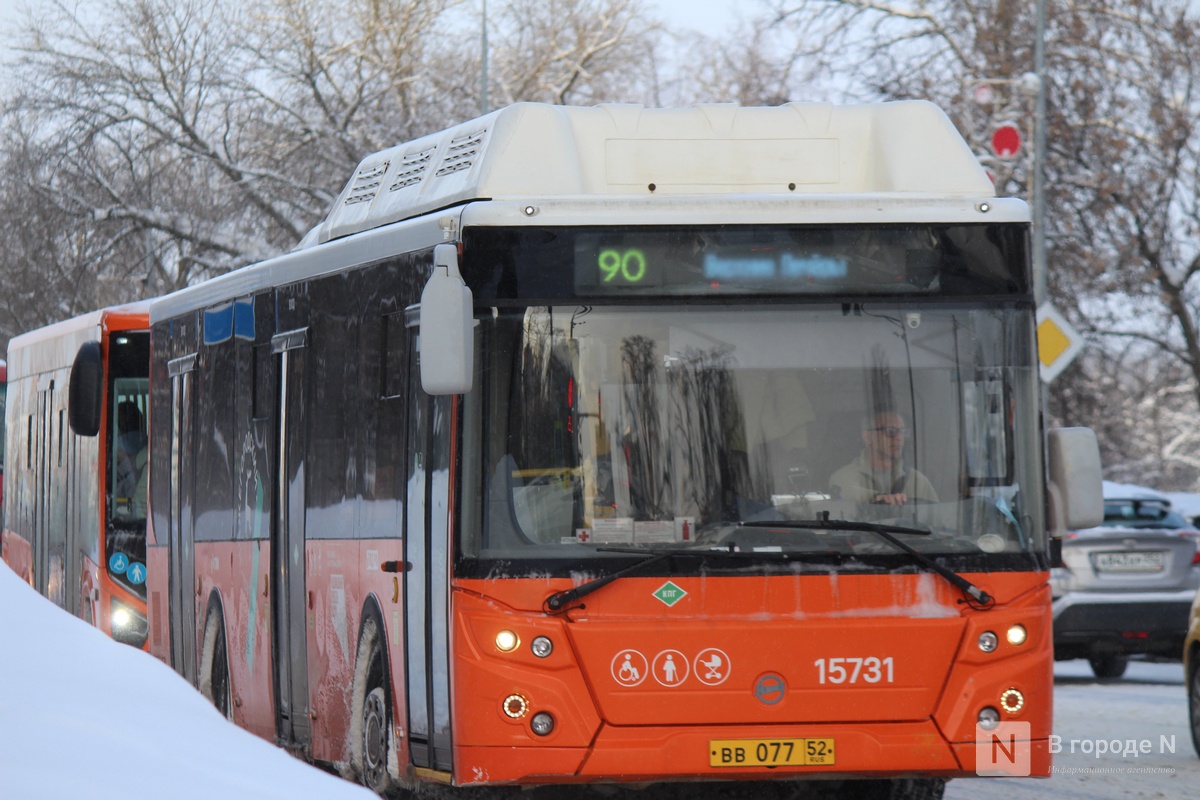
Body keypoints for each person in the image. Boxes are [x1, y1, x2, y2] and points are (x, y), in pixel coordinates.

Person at [828, 409, 937, 505]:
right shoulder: (843, 477)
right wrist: (881, 498)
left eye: (903, 432)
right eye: (891, 431)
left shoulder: (918, 481)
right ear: (868, 437)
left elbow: (935, 517)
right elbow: (844, 493)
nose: (899, 437)